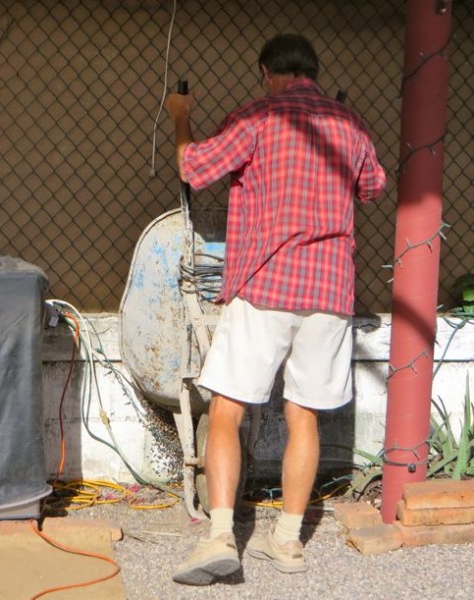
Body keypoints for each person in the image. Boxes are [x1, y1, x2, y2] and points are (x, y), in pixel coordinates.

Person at [165, 33, 386, 586]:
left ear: (268, 72)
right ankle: (286, 540)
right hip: (330, 290)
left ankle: (219, 536)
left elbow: (193, 167)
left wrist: (181, 117)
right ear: (312, 70)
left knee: (227, 408)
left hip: (266, 284)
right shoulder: (350, 123)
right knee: (304, 414)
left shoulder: (259, 116)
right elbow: (374, 186)